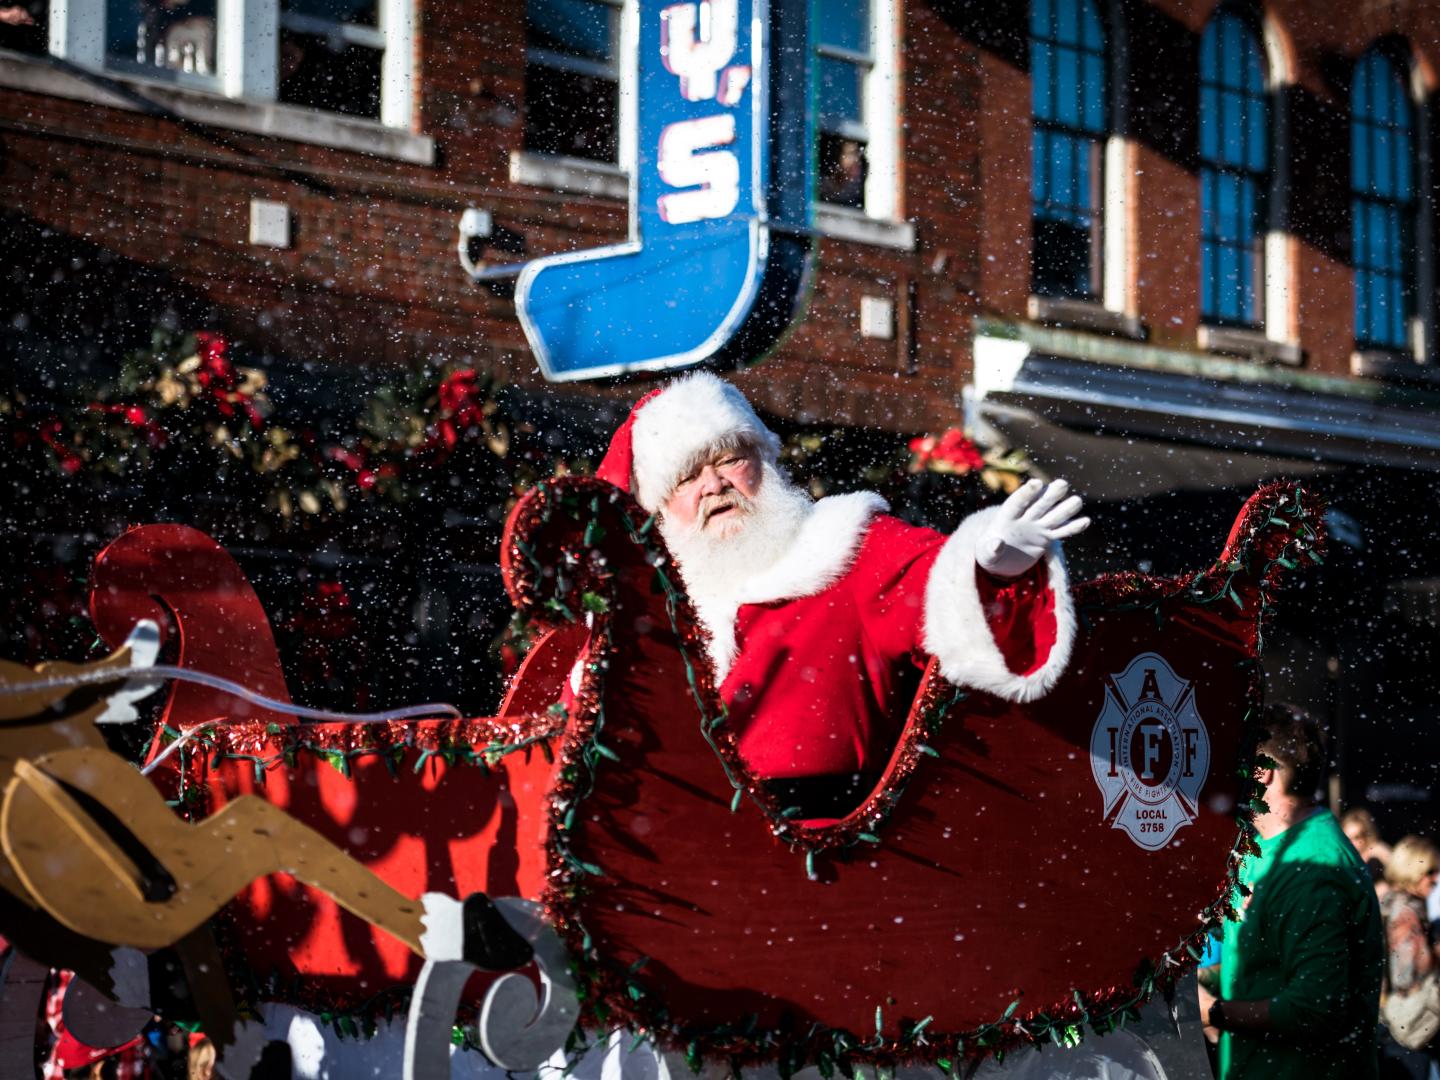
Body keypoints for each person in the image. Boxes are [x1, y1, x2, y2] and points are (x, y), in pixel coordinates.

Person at [588, 372, 1087, 815]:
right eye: (687, 476)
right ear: (660, 509)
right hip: (681, 856)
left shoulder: (845, 546)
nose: (714, 484)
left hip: (824, 850)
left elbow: (938, 585)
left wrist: (991, 568)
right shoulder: (652, 611)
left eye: (729, 458)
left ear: (766, 462)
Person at [1196, 702, 1384, 1079]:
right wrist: (1202, 980)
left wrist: (1211, 1011)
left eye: (1237, 760)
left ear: (1262, 773)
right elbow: (1267, 963)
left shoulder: (1314, 871)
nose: (1224, 773)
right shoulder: (1259, 850)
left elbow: (1314, 1010)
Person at [1378, 836, 1440, 1079]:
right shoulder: (1405, 913)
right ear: (1413, 869)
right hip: (1402, 1028)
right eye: (1430, 871)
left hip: (1393, 1025)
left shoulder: (1396, 903)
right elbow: (1404, 977)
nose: (1435, 879)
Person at [1344, 806, 1394, 897]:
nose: (1352, 843)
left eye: (1357, 837)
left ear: (1367, 834)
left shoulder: (1378, 852)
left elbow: (1398, 876)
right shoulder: (1344, 857)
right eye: (1348, 838)